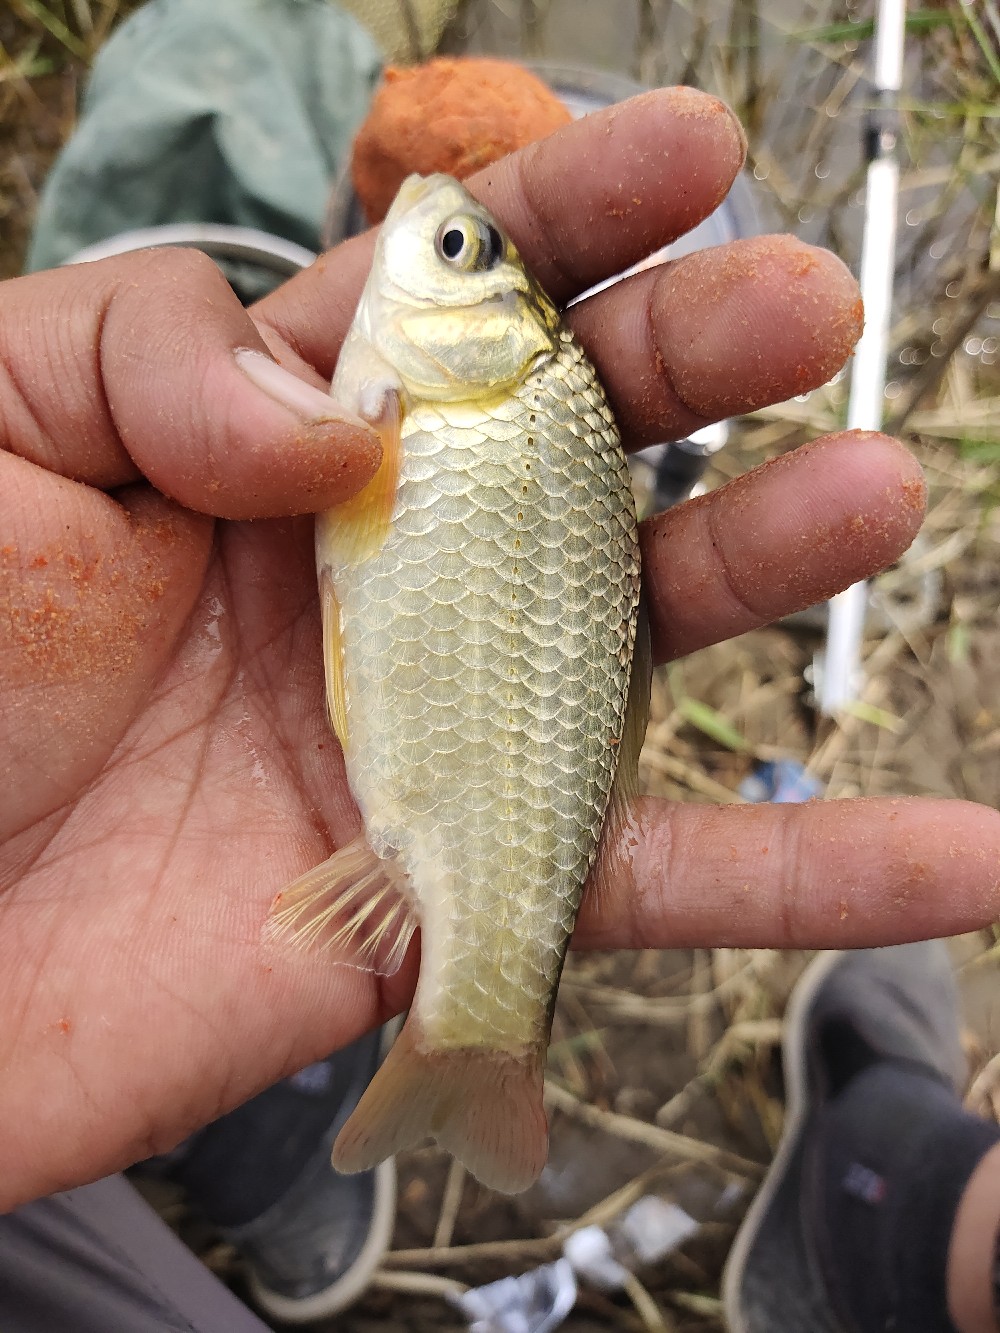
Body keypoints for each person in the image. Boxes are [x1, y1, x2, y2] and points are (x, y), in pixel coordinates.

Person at [2, 87, 999, 1330]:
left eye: (456, 251)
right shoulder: (460, 400)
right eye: (458, 250)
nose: (433, 229)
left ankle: (411, 1064)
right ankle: (313, 1114)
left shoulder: (468, 402)